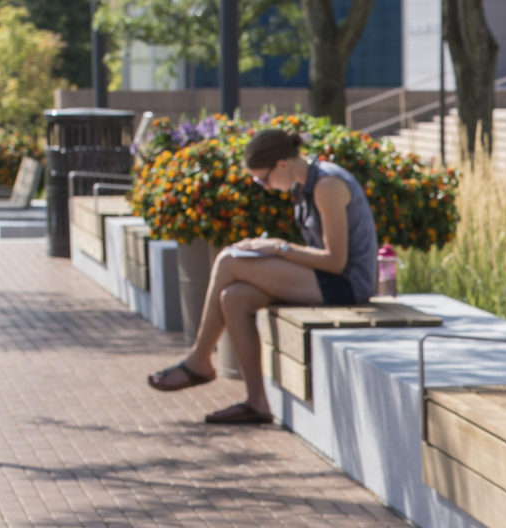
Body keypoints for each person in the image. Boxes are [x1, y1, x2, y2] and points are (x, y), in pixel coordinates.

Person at [146, 126, 379, 425]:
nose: (265, 187)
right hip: (326, 279)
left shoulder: (327, 185)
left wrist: (278, 248)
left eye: (262, 179)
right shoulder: (305, 183)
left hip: (347, 285)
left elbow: (336, 261)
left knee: (229, 260)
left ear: (282, 164)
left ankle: (199, 360)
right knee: (234, 298)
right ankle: (257, 402)